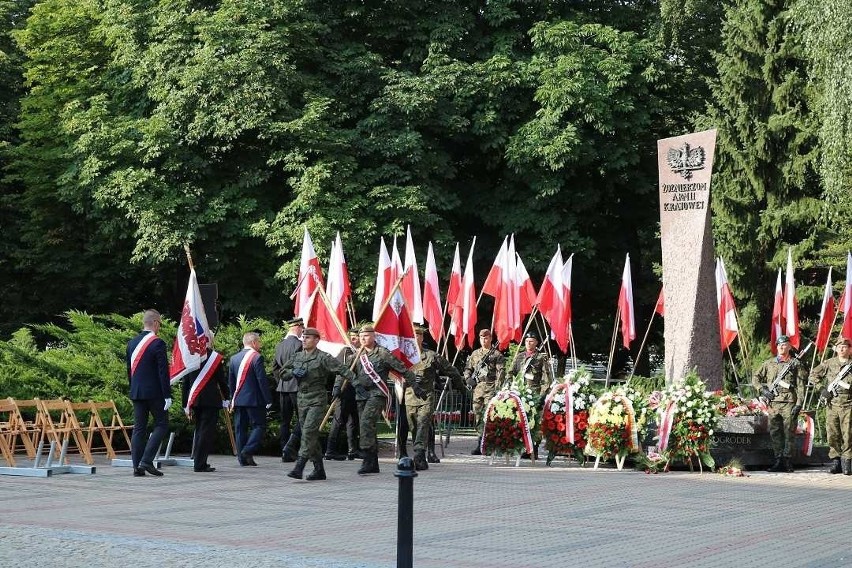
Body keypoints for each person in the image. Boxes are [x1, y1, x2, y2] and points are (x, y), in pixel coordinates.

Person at [334, 323, 416, 475]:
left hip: (377, 394)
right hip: (361, 395)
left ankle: (366, 459)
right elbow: (343, 372)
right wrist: (337, 388)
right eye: (361, 336)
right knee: (367, 428)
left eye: (366, 335)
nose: (363, 338)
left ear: (373, 336)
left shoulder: (383, 354)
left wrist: (416, 386)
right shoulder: (356, 355)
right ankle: (373, 462)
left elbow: (402, 368)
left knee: (366, 423)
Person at [278, 327, 355, 480]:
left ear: (316, 340)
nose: (304, 340)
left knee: (307, 432)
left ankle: (299, 466)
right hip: (302, 399)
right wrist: (292, 373)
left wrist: (358, 384)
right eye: (303, 337)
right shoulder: (297, 356)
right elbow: (282, 374)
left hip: (317, 400)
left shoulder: (323, 357)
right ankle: (319, 470)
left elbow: (342, 370)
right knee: (310, 434)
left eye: (308, 337)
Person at [406, 326, 465, 470]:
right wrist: (408, 379)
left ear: (421, 338)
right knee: (414, 427)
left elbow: (451, 370)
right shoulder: (404, 356)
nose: (416, 339)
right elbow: (394, 374)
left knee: (423, 423)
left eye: (418, 336)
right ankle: (420, 454)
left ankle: (419, 455)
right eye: (413, 336)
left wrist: (462, 388)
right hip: (409, 397)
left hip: (426, 397)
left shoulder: (431, 356)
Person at [127, 309, 171, 477]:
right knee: (162, 424)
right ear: (156, 323)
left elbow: (129, 371)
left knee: (139, 429)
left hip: (137, 392)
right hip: (154, 393)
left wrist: (133, 389)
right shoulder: (157, 343)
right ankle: (146, 460)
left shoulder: (131, 343)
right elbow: (162, 372)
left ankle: (137, 467)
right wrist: (167, 394)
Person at [753, 335, 805, 472]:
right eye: (780, 345)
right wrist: (762, 390)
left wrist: (799, 403)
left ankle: (787, 461)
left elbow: (801, 385)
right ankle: (778, 460)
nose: (782, 347)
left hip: (789, 402)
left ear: (789, 346)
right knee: (775, 432)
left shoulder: (795, 363)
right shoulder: (769, 363)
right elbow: (755, 377)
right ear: (776, 347)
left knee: (789, 432)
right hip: (773, 404)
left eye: (785, 344)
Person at [181, 345, 229, 472]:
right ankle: (200, 463)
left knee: (200, 431)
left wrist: (185, 403)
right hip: (210, 400)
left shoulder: (191, 356)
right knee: (205, 433)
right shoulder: (214, 357)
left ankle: (198, 461)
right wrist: (227, 397)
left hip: (195, 400)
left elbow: (185, 382)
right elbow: (221, 380)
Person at [809, 337, 852, 475]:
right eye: (839, 346)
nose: (841, 349)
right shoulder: (829, 363)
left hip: (848, 404)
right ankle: (836, 461)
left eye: (845, 346)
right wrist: (822, 389)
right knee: (832, 434)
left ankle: (847, 461)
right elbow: (813, 375)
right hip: (832, 405)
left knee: (848, 434)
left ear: (850, 349)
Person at [229, 331, 272, 466]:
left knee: (240, 429)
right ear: (254, 343)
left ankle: (244, 459)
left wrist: (232, 399)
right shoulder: (256, 357)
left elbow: (231, 382)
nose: (260, 344)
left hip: (238, 399)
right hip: (254, 400)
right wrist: (268, 399)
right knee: (259, 426)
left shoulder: (234, 358)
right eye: (258, 342)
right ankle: (247, 451)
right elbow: (262, 380)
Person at [464, 329, 505, 455]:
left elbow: (501, 373)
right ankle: (480, 442)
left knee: (489, 416)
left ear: (490, 338)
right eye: (481, 338)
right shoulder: (475, 354)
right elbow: (468, 368)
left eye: (486, 338)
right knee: (478, 416)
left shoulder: (497, 355)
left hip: (490, 388)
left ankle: (489, 444)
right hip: (478, 389)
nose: (483, 340)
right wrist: (468, 379)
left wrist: (497, 389)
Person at [324, 330, 361, 461]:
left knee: (353, 422)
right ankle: (330, 450)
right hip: (344, 390)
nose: (354, 340)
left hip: (355, 392)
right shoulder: (346, 352)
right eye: (352, 338)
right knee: (339, 421)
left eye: (356, 338)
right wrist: (337, 388)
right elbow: (341, 371)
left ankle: (353, 450)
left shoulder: (360, 352)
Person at [272, 317, 304, 462]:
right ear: (297, 327)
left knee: (285, 421)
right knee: (302, 419)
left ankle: (284, 448)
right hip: (297, 387)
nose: (302, 331)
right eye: (301, 329)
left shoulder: (279, 345)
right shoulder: (299, 345)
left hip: (283, 387)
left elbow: (275, 368)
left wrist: (282, 382)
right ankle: (293, 449)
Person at [510, 331, 552, 398]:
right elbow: (510, 373)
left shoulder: (540, 358)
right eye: (526, 341)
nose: (528, 343)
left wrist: (541, 395)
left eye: (531, 341)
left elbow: (546, 378)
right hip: (519, 391)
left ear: (536, 343)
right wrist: (510, 388)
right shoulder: (519, 356)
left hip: (534, 393)